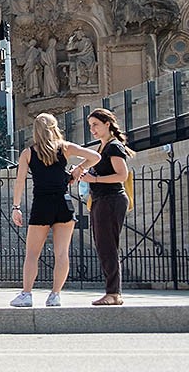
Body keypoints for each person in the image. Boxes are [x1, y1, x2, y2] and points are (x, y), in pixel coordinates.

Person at [9, 113, 100, 307]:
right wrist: (79, 169)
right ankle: (55, 295)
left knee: (32, 254)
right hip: (63, 203)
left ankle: (26, 294)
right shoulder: (65, 147)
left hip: (41, 204)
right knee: (61, 253)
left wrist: (16, 206)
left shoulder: (28, 153)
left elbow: (19, 182)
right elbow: (95, 156)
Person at [82, 107, 134, 305]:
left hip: (111, 200)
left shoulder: (113, 146)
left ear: (107, 124)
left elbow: (122, 175)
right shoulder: (102, 147)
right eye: (89, 126)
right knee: (103, 246)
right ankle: (112, 292)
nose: (92, 129)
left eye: (95, 125)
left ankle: (113, 293)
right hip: (100, 200)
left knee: (108, 246)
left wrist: (94, 180)